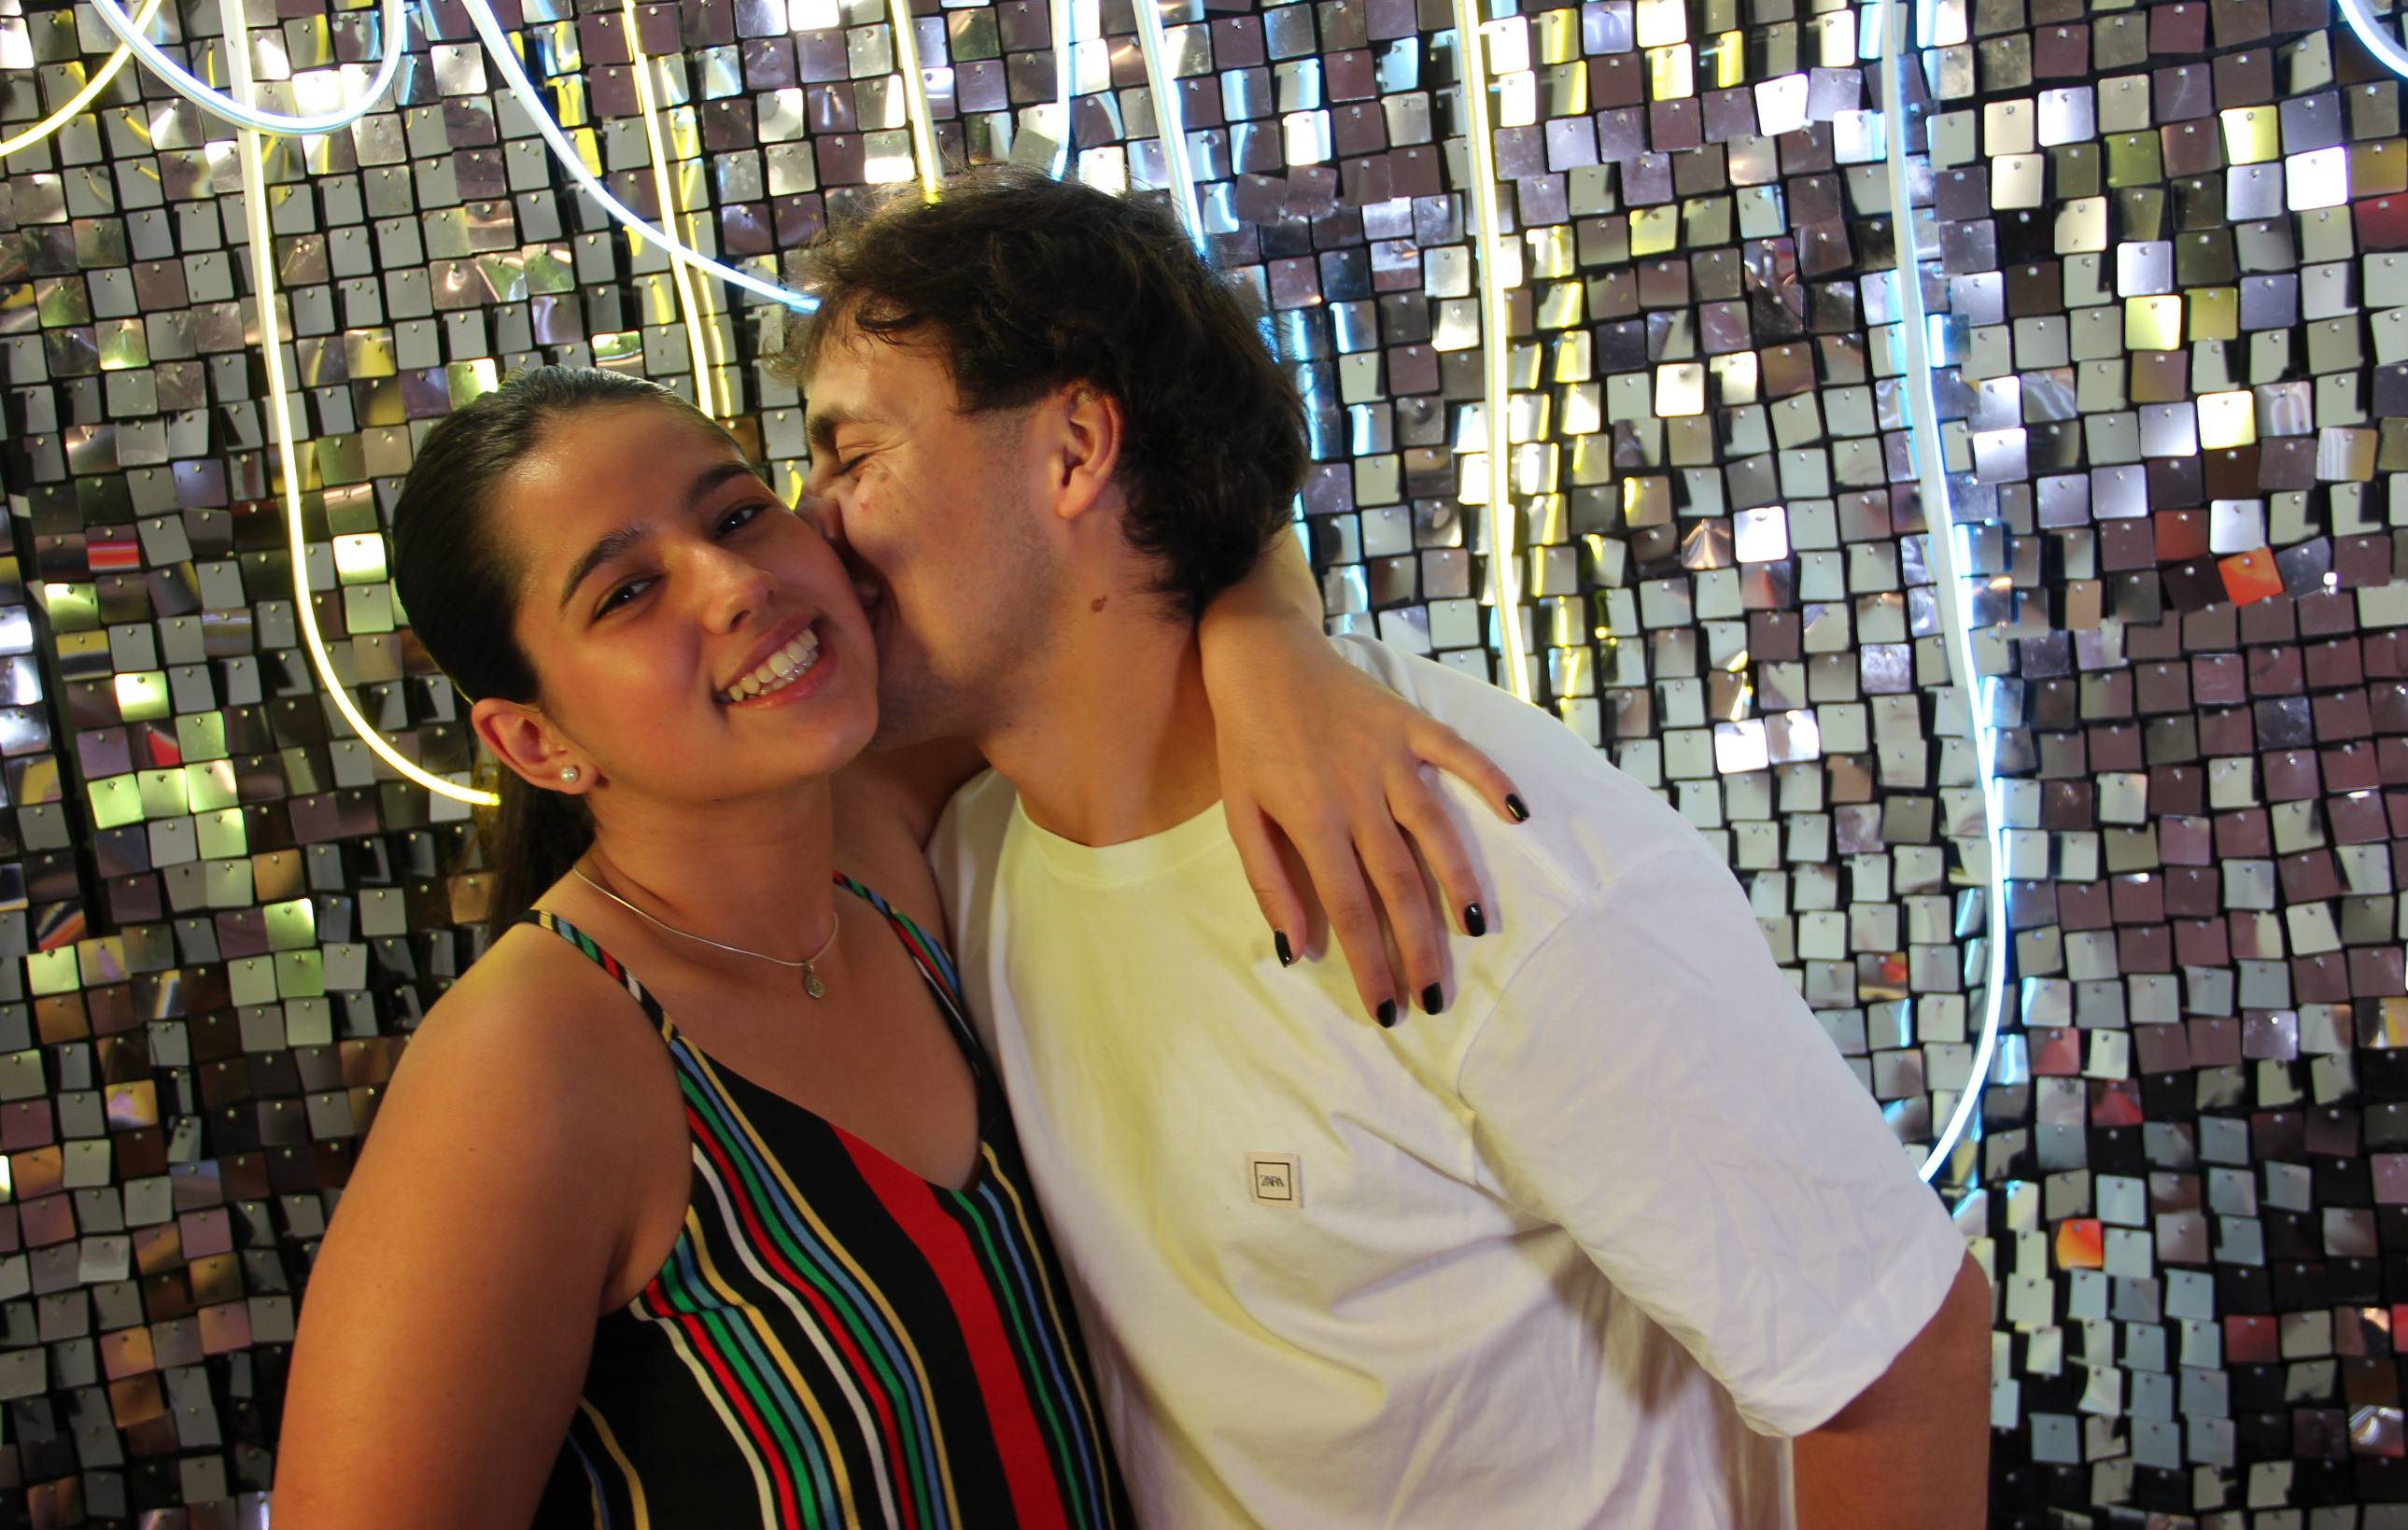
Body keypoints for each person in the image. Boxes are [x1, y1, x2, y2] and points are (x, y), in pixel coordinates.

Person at [785, 169, 1996, 1528]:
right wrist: (1265, 622)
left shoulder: (1477, 855)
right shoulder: (960, 854)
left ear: (1074, 448)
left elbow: (1897, 1358)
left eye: (853, 457)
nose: (804, 528)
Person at [270, 367, 1511, 1528]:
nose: (733, 582)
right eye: (628, 593)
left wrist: (1268, 651)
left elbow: (1148, 550)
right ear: (537, 744)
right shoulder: (530, 1065)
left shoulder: (883, 840)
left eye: (739, 514)